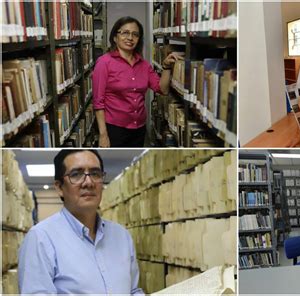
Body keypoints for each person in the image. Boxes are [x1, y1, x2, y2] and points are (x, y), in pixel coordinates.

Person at [18, 150, 143, 294]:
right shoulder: (40, 239)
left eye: (95, 174)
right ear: (59, 188)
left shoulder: (122, 236)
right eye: (76, 175)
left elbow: (133, 291)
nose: (88, 182)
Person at [92, 16, 183, 147]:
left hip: (139, 129)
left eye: (135, 34)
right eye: (125, 33)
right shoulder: (104, 63)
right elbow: (98, 102)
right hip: (114, 129)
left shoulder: (144, 65)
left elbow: (162, 89)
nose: (130, 38)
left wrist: (166, 66)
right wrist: (103, 134)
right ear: (114, 37)